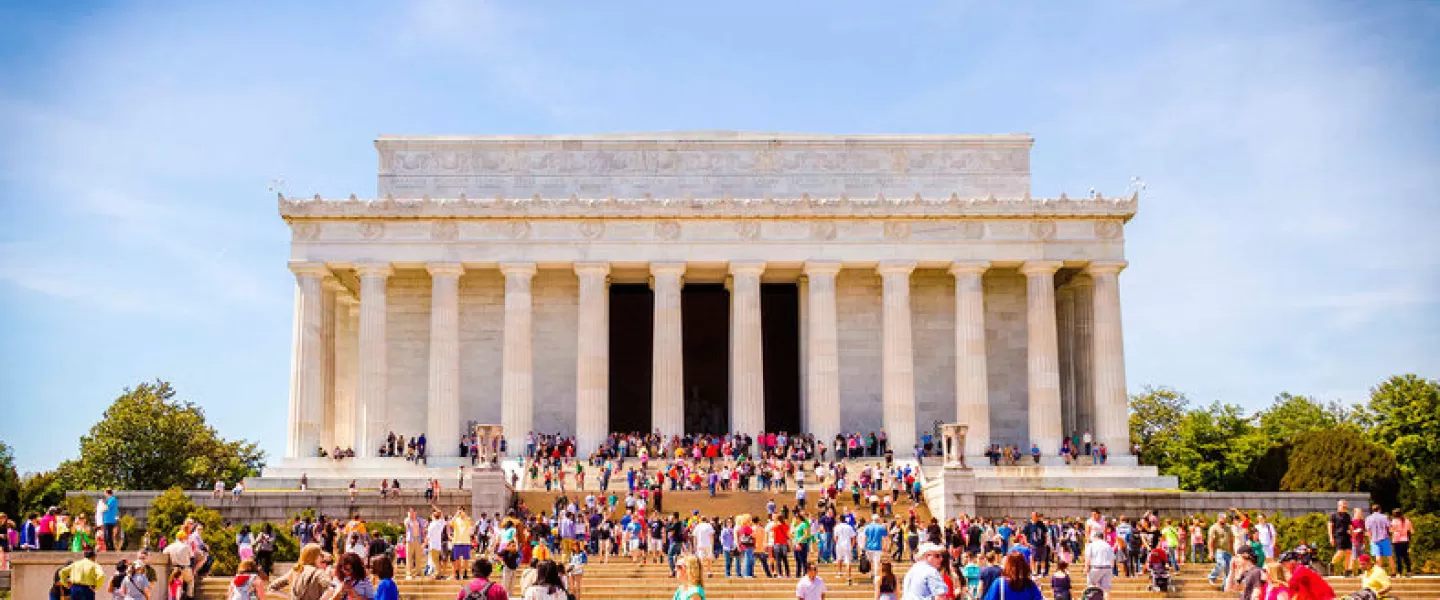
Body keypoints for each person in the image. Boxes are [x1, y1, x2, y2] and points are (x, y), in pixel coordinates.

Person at [1364, 504, 1395, 575]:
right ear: (1379, 509)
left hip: (1374, 540)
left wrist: (1370, 540)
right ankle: (1393, 572)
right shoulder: (1384, 517)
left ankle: (1379, 573)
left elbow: (1368, 531)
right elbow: (1390, 528)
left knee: (1378, 557)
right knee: (1389, 556)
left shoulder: (1368, 518)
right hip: (1385, 539)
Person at [1083, 532, 1115, 600]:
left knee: (1091, 587)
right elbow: (1113, 559)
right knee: (1106, 590)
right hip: (1107, 567)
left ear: (1095, 536)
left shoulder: (1092, 545)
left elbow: (1088, 557)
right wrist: (1111, 568)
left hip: (1096, 567)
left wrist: (1086, 568)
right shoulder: (1108, 545)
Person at [1326, 500, 1353, 577]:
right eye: (1343, 505)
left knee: (1348, 553)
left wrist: (1352, 533)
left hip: (1347, 536)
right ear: (1339, 506)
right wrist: (1331, 537)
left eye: (1345, 505)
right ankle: (1331, 564)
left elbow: (1350, 526)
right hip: (1338, 535)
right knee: (1340, 552)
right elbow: (1330, 526)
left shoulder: (1347, 515)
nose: (1345, 507)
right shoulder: (1334, 515)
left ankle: (1347, 571)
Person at [1390, 509, 1413, 578]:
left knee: (1398, 557)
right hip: (1405, 541)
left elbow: (1391, 530)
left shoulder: (1394, 521)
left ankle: (1399, 572)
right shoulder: (1407, 521)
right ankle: (1409, 571)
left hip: (1396, 541)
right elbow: (1411, 531)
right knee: (1406, 556)